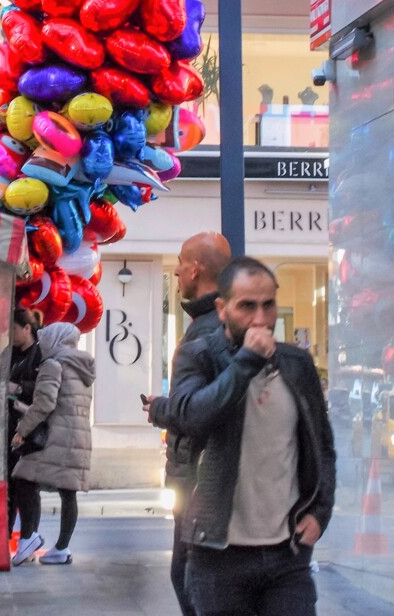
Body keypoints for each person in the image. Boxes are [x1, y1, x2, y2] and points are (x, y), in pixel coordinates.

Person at [150, 257, 336, 616]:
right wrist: (247, 361)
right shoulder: (198, 356)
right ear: (223, 309)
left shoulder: (297, 364)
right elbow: (192, 416)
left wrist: (320, 512)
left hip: (288, 553)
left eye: (268, 305)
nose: (260, 319)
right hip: (217, 556)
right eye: (247, 306)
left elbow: (322, 446)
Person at [145, 232, 231, 616]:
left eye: (181, 262)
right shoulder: (211, 325)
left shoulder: (207, 332)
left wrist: (161, 409)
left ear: (196, 269)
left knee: (190, 577)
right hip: (201, 476)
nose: (177, 270)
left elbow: (201, 411)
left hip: (199, 478)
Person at [10, 323, 95, 566]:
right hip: (78, 437)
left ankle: (28, 537)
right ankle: (62, 548)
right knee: (68, 492)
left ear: (54, 340)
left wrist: (22, 431)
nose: (41, 344)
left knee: (23, 477)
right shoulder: (82, 366)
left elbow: (45, 403)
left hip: (55, 436)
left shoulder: (53, 365)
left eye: (44, 339)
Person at [7, 309, 43, 543]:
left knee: (27, 486)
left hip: (29, 427)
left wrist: (18, 388)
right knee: (10, 485)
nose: (11, 334)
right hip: (9, 423)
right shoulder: (10, 353)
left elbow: (44, 391)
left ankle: (29, 538)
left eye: (14, 329)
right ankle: (6, 536)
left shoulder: (39, 354)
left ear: (27, 328)